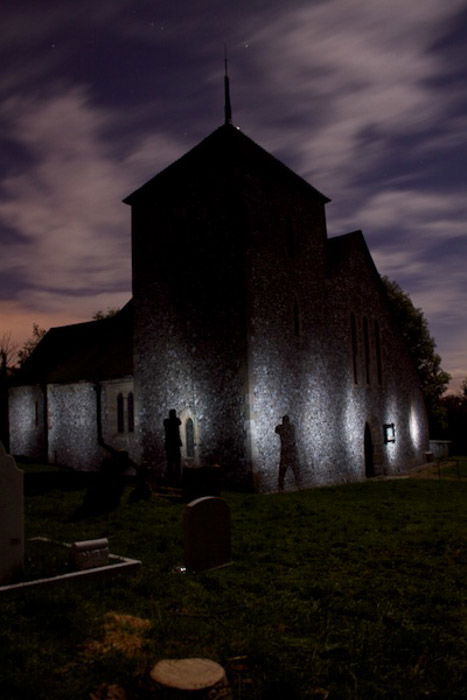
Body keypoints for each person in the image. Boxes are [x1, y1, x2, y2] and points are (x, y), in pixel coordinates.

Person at [275, 415, 301, 491]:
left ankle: (281, 487)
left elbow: (277, 430)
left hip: (287, 453)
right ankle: (298, 485)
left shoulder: (285, 428)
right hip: (291, 452)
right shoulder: (290, 427)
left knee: (284, 471)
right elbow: (276, 430)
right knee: (293, 471)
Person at [164, 409, 182, 485]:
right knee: (175, 462)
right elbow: (179, 422)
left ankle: (172, 477)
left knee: (171, 462)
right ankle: (175, 477)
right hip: (174, 444)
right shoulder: (173, 421)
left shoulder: (167, 421)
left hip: (170, 445)